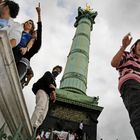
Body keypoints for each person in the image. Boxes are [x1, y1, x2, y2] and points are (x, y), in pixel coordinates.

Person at [111, 33, 140, 140]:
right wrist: (123, 47)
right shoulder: (127, 55)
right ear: (135, 46)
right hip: (131, 84)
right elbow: (114, 63)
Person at [31, 65, 62, 135]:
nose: (57, 71)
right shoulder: (48, 74)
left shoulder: (55, 83)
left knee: (44, 114)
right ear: (53, 69)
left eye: (59, 71)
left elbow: (52, 91)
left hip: (47, 96)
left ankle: (35, 127)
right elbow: (48, 81)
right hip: (42, 91)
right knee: (40, 107)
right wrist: (53, 90)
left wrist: (52, 95)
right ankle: (31, 124)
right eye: (56, 69)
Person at [17, 2, 42, 81]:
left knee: (15, 80)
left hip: (23, 62)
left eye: (36, 33)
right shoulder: (25, 36)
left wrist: (39, 14)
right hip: (15, 54)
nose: (35, 33)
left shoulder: (36, 45)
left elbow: (40, 29)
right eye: (34, 32)